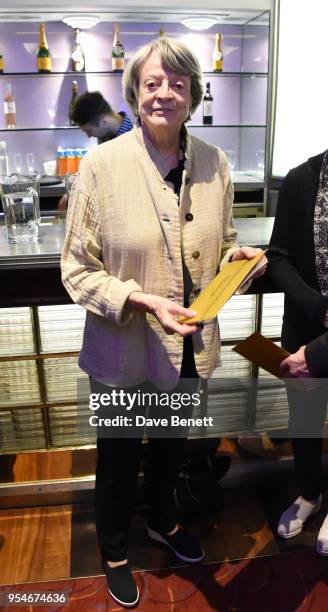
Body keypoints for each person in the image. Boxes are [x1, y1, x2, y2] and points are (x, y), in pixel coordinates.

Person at [61, 36, 263, 608]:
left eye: (177, 83)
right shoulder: (101, 166)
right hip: (124, 346)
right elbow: (77, 269)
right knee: (120, 454)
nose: (165, 94)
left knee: (172, 447)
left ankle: (165, 522)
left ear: (193, 94)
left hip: (190, 345)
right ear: (134, 93)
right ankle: (116, 549)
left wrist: (236, 260)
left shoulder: (214, 162)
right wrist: (142, 300)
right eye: (153, 83)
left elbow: (220, 243)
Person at [267, 150, 328, 556]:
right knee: (304, 421)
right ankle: (310, 494)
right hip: (307, 328)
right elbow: (279, 258)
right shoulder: (302, 177)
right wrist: (317, 306)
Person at [58, 92, 133, 211]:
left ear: (104, 121)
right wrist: (75, 190)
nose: (88, 136)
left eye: (89, 130)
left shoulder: (135, 136)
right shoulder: (105, 136)